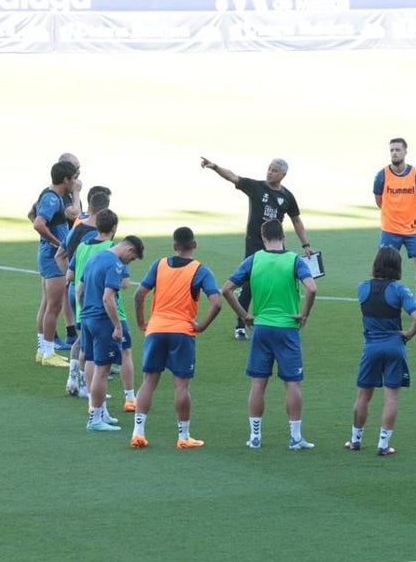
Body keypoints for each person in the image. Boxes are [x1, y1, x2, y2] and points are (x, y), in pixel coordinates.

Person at [221, 219, 318, 450]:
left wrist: (245, 315)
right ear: (283, 236)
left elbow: (226, 289)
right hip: (287, 328)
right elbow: (312, 288)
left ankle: (255, 437)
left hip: (261, 328)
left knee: (258, 383)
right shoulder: (294, 259)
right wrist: (303, 315)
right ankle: (295, 438)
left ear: (263, 238)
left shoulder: (253, 260)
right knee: (293, 383)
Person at [200, 155, 314, 339]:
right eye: (269, 168)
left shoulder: (287, 196)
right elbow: (233, 177)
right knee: (249, 283)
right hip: (255, 242)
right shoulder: (256, 187)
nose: (270, 172)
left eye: (274, 170)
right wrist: (215, 167)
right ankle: (241, 324)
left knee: (281, 281)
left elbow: (296, 220)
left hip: (276, 243)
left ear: (283, 174)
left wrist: (306, 245)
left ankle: (281, 318)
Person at [129, 227, 223, 449]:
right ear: (195, 244)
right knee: (181, 386)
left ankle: (138, 432)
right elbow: (217, 302)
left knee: (148, 382)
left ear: (174, 246)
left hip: (156, 328)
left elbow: (139, 294)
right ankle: (183, 436)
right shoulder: (201, 270)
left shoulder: (159, 264)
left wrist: (143, 322)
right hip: (182, 331)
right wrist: (201, 326)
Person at [345, 247, 416, 457]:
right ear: (397, 267)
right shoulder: (399, 290)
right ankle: (383, 444)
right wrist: (407, 334)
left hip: (371, 346)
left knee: (363, 396)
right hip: (394, 346)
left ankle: (355, 440)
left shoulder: (362, 287)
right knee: (391, 398)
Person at [71, 207, 139, 413]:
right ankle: (129, 398)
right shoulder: (112, 250)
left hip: (85, 308)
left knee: (88, 354)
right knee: (123, 353)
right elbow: (124, 283)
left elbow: (71, 276)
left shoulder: (82, 247)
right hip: (109, 313)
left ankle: (91, 400)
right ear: (115, 228)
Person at [78, 233, 145, 432]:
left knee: (92, 363)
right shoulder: (114, 264)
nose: (128, 263)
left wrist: (85, 312)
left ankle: (101, 412)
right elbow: (108, 298)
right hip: (102, 321)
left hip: (88, 318)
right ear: (129, 250)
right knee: (102, 371)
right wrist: (117, 326)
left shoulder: (94, 258)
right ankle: (95, 419)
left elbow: (80, 289)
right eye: (131, 259)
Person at [60, 187, 111, 396]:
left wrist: (68, 279)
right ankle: (85, 386)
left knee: (82, 338)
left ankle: (73, 380)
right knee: (89, 341)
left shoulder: (76, 227)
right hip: (89, 292)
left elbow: (59, 254)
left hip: (73, 288)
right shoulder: (97, 237)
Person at [31, 160, 80, 367]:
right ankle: (49, 353)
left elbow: (31, 214)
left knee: (46, 303)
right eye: (74, 178)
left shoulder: (49, 194)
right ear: (65, 179)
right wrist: (58, 243)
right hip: (53, 257)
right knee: (54, 305)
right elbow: (38, 223)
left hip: (47, 254)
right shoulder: (53, 199)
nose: (76, 182)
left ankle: (43, 350)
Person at [374, 137, 416, 309]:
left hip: (412, 229)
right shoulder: (382, 175)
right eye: (392, 150)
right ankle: (385, 300)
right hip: (390, 229)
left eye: (398, 150)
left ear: (405, 152)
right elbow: (379, 201)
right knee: (385, 268)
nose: (394, 153)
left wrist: (409, 215)